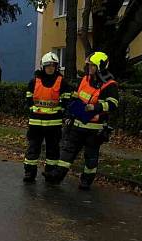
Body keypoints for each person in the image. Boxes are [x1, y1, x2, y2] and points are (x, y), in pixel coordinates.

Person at [45, 51, 119, 190]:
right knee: (67, 151)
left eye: (92, 66)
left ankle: (86, 181)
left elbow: (113, 104)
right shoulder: (84, 80)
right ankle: (56, 176)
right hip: (78, 124)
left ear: (100, 66)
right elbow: (74, 99)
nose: (89, 68)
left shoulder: (109, 85)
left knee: (90, 157)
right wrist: (68, 115)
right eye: (89, 65)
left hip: (95, 128)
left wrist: (95, 107)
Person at [23, 52, 73, 182]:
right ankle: (30, 173)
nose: (50, 68)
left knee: (53, 150)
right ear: (43, 67)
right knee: (33, 149)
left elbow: (67, 101)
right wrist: (32, 111)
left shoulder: (62, 82)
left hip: (53, 124)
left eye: (53, 66)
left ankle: (50, 173)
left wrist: (61, 113)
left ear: (56, 67)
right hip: (36, 123)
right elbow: (28, 98)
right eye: (48, 66)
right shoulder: (34, 81)